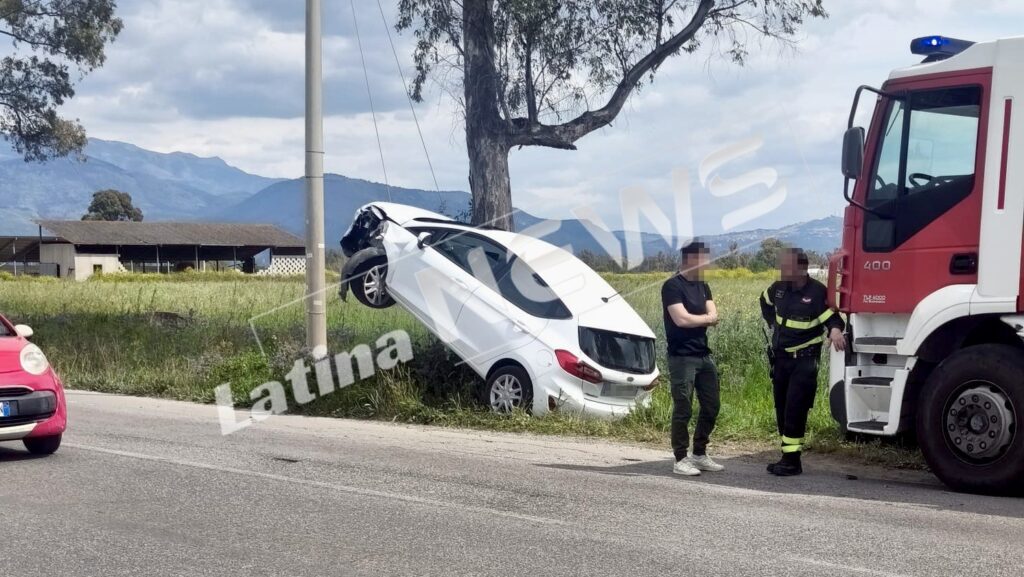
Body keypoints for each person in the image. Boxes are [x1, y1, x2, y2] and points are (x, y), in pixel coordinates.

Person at [759, 248, 846, 476]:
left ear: (801, 268)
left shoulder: (816, 292)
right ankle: (786, 456)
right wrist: (772, 323)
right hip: (781, 360)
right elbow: (764, 300)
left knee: (795, 410)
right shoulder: (779, 288)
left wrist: (835, 331)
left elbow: (833, 318)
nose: (782, 270)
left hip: (805, 362)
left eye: (787, 266)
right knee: (781, 409)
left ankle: (792, 462)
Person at [661, 241, 724, 476]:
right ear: (690, 260)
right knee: (683, 407)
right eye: (703, 259)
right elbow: (681, 319)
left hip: (703, 355)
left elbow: (714, 313)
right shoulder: (672, 286)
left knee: (712, 405)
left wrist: (703, 318)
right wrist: (706, 319)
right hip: (682, 357)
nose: (707, 263)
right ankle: (680, 458)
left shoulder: (703, 285)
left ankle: (699, 453)